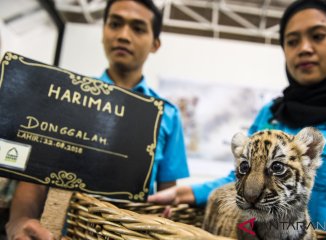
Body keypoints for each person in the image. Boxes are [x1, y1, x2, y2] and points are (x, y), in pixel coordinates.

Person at [149, 0, 326, 232]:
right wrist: (188, 192)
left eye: (318, 36)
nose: (304, 48)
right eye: (292, 41)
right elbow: (240, 176)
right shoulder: (271, 112)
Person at [6, 0, 189, 239]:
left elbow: (167, 196)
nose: (123, 35)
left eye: (138, 28)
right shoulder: (66, 98)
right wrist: (19, 222)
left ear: (155, 44)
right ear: (103, 32)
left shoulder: (168, 115)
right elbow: (34, 179)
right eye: (115, 24)